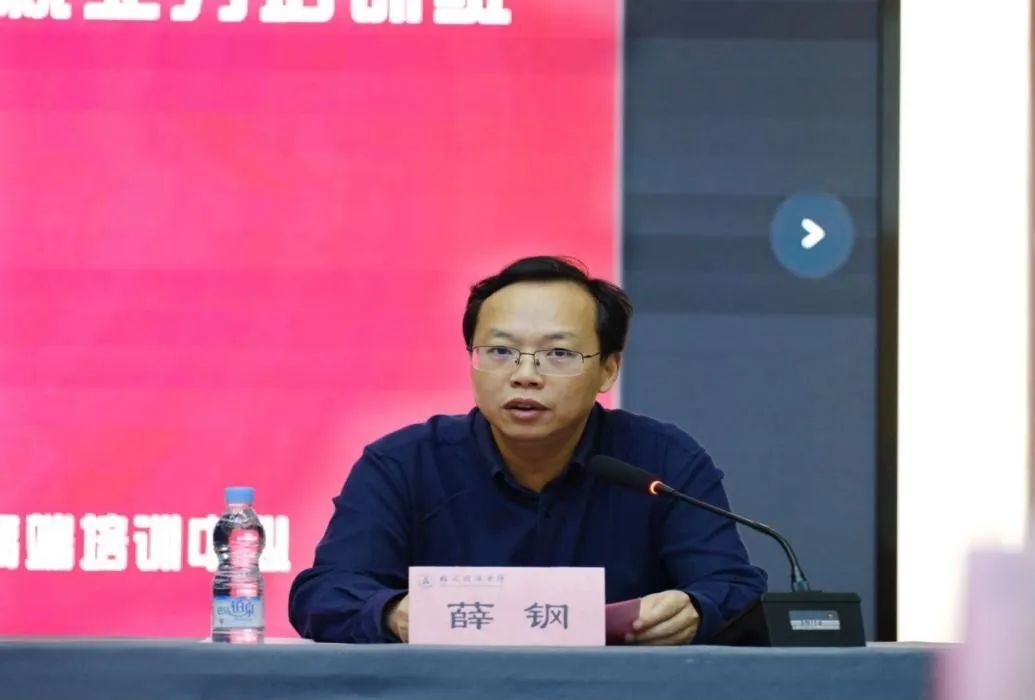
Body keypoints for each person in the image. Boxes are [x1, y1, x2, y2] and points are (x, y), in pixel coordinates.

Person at [288, 256, 767, 645]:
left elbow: (736, 589)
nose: (525, 375)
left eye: (558, 354)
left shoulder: (662, 462)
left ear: (608, 370)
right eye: (500, 351)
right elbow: (324, 593)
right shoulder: (403, 464)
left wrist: (696, 608)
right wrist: (393, 613)